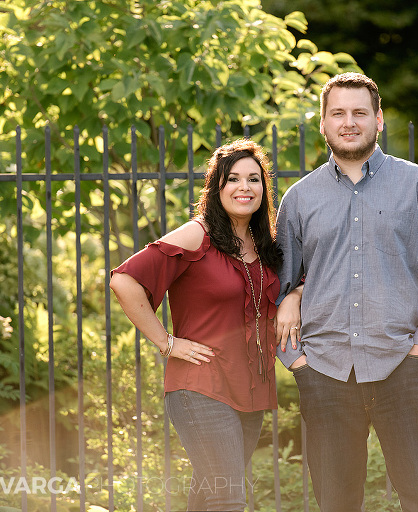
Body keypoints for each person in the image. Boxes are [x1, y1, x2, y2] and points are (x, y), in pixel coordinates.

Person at [274, 72, 418, 512]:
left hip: (402, 364)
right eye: (338, 113)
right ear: (322, 123)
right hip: (324, 370)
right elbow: (276, 286)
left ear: (379, 120)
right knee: (336, 503)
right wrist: (299, 362)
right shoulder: (299, 199)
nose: (349, 122)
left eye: (360, 112)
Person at [110, 139, 281, 511]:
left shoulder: (263, 242)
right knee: (229, 496)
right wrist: (167, 342)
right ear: (216, 186)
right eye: (233, 178)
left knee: (209, 493)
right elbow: (123, 280)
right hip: (200, 386)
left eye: (254, 179)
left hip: (250, 388)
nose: (244, 187)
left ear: (264, 189)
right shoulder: (197, 234)